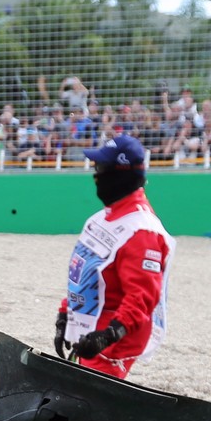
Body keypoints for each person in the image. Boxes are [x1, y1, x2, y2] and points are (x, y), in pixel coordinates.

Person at [53, 133, 173, 381]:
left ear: (121, 173)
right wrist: (65, 314)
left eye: (101, 167)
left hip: (113, 340)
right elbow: (85, 274)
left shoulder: (142, 231)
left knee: (86, 404)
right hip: (91, 331)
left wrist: (109, 335)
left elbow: (142, 296)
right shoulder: (101, 219)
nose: (96, 175)